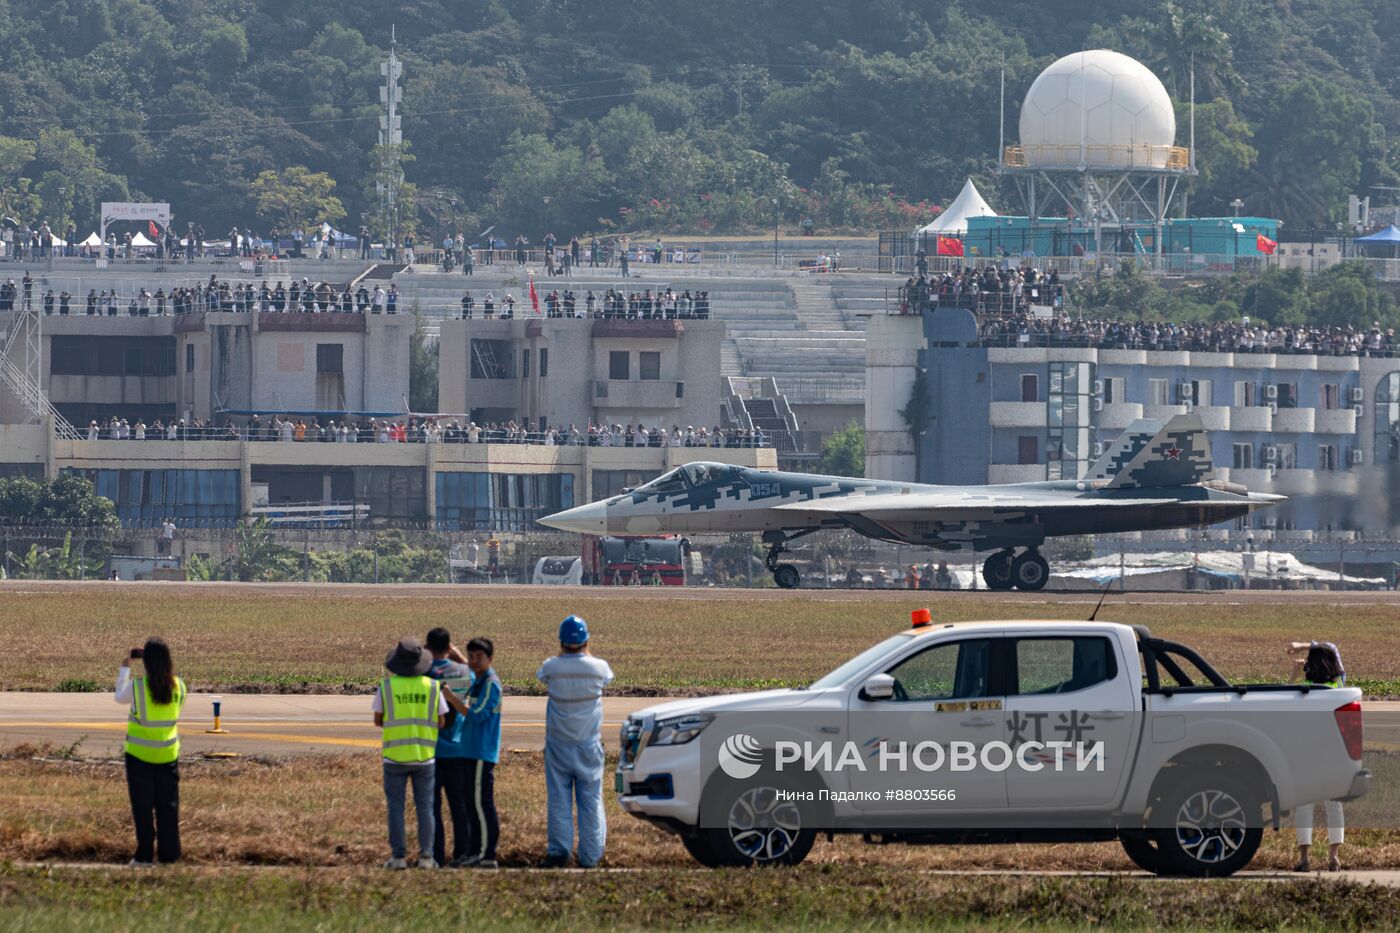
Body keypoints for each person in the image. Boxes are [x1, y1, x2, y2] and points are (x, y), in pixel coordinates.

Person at [536, 616, 613, 868]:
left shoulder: (552, 666)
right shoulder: (599, 667)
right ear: (586, 640)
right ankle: (591, 856)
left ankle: (559, 852)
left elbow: (542, 676)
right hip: (588, 744)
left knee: (559, 799)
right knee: (590, 800)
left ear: (561, 641)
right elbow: (607, 679)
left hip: (558, 743)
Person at [374, 637, 451, 869]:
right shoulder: (432, 687)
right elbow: (441, 722)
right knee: (426, 808)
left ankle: (398, 857)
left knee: (395, 808)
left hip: (394, 757)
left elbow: (379, 720)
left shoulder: (387, 687)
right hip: (425, 757)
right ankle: (426, 857)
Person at [116, 637, 186, 866]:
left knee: (143, 810)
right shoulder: (179, 687)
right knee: (168, 809)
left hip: (139, 757)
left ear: (145, 662)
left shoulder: (137, 687)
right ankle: (170, 856)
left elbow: (119, 697)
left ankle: (144, 855)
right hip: (168, 756)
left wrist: (126, 665)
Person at [1289, 640, 1347, 871]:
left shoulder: (1302, 692)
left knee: (1304, 805)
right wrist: (1305, 644)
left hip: (1307, 754)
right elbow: (1332, 647)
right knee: (1335, 805)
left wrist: (1294, 674)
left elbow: (1281, 700)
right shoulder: (1339, 688)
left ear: (1308, 669)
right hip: (1333, 753)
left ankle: (1304, 858)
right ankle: (1333, 857)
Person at [425, 628, 475, 868]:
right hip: (458, 748)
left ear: (427, 647)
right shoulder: (464, 672)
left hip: (430, 749)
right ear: (449, 647)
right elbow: (482, 679)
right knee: (460, 805)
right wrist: (460, 658)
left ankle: (435, 855)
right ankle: (462, 852)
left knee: (431, 807)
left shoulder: (423, 673)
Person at [458, 636, 503, 868]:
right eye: (471, 656)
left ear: (490, 659)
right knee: (470, 803)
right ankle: (475, 851)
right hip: (469, 751)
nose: (474, 661)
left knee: (481, 803)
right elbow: (467, 666)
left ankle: (487, 854)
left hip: (480, 752)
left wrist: (452, 700)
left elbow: (476, 715)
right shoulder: (478, 680)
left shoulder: (490, 684)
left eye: (479, 657)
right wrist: (454, 652)